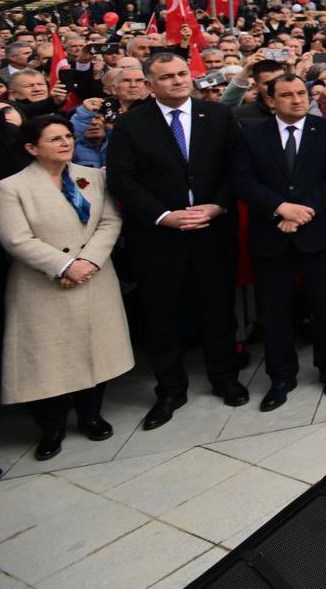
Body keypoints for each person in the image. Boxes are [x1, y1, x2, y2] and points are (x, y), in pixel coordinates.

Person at [106, 52, 248, 431]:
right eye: (166, 77)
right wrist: (164, 216)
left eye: (182, 73)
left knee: (217, 307)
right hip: (158, 237)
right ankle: (170, 388)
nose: (177, 81)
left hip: (211, 231)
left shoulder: (217, 115)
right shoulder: (131, 124)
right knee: (161, 314)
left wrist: (217, 207)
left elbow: (237, 168)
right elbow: (123, 179)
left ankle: (225, 378)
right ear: (150, 84)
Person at [0, 115, 133, 461]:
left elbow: (110, 220)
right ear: (31, 147)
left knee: (95, 350)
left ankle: (90, 416)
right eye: (54, 139)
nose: (65, 143)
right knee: (48, 359)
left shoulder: (91, 177)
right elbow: (15, 238)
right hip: (43, 286)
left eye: (68, 136)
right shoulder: (11, 188)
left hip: (94, 278)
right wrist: (65, 266)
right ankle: (51, 428)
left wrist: (89, 262)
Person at [232, 72, 326, 411]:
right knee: (275, 311)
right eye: (287, 95)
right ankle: (280, 376)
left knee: (325, 308)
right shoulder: (251, 136)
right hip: (272, 236)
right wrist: (280, 209)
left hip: (319, 235)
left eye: (301, 93)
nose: (297, 99)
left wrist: (305, 210)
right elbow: (243, 180)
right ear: (271, 100)